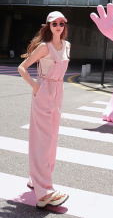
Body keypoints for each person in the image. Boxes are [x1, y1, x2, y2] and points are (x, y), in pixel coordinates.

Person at [18, 11, 70, 209]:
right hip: (43, 91)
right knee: (43, 140)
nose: (58, 26)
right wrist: (35, 87)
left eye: (62, 23)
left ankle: (36, 180)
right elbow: (23, 67)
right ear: (48, 26)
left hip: (58, 92)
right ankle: (45, 192)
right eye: (54, 23)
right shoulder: (44, 47)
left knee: (52, 140)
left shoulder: (67, 46)